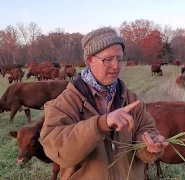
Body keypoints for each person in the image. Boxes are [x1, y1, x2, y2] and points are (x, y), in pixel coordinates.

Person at [39, 27, 169, 180]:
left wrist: (150, 147)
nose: (116, 66)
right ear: (90, 60)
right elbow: (58, 150)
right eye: (108, 60)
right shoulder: (65, 103)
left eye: (119, 59)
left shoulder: (130, 99)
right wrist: (101, 124)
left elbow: (146, 130)